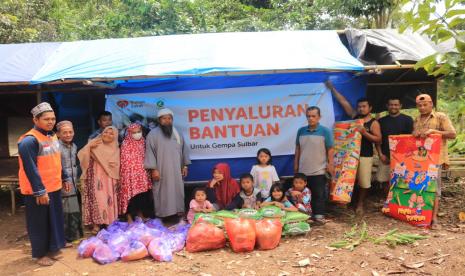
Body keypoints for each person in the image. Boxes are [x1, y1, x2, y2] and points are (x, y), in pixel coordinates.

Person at [18, 102, 70, 266]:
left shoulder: (52, 135)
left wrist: (65, 177)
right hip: (38, 190)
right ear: (35, 119)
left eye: (53, 118)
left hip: (53, 186)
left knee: (53, 219)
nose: (50, 122)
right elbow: (30, 169)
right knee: (38, 222)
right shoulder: (29, 141)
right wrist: (39, 191)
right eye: (46, 119)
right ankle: (39, 254)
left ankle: (52, 248)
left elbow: (57, 159)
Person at [327, 81, 382, 215]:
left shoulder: (374, 123)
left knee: (364, 182)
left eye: (364, 106)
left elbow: (378, 139)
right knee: (347, 179)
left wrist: (364, 133)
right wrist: (332, 89)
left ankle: (360, 204)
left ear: (370, 108)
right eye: (359, 107)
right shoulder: (355, 118)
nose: (361, 109)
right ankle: (345, 202)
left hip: (365, 155)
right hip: (348, 155)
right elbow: (344, 103)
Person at [412, 93, 456, 230]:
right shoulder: (416, 119)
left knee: (434, 189)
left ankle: (434, 219)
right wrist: (414, 134)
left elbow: (453, 134)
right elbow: (415, 138)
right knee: (420, 186)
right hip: (420, 159)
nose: (423, 107)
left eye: (425, 104)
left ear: (431, 104)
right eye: (420, 105)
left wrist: (434, 132)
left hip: (435, 159)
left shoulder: (440, 117)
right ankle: (421, 214)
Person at [144, 108, 191, 221]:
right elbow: (150, 152)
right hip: (161, 169)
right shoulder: (152, 134)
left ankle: (177, 213)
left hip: (176, 169)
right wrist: (153, 169)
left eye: (169, 118)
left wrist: (185, 165)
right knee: (161, 191)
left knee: (177, 190)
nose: (167, 121)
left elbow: (184, 149)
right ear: (159, 120)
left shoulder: (177, 133)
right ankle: (163, 215)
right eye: (164, 118)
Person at [294, 106, 334, 224]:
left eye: (313, 116)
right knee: (304, 195)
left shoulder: (325, 131)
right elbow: (297, 149)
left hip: (319, 169)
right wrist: (296, 164)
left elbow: (330, 149)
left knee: (318, 194)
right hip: (303, 170)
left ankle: (319, 215)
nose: (310, 118)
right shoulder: (301, 131)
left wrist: (330, 164)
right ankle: (306, 216)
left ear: (319, 117)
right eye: (308, 116)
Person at [78, 126, 120, 234]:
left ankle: (109, 222)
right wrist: (88, 146)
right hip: (96, 175)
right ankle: (96, 224)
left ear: (115, 136)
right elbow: (81, 155)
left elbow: (117, 164)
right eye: (106, 132)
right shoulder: (94, 142)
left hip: (110, 178)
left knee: (109, 200)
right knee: (98, 199)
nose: (107, 135)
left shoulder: (116, 148)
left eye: (111, 134)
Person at [375, 97, 414, 194]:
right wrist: (380, 154)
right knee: (384, 179)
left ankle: (399, 202)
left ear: (400, 106)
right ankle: (387, 200)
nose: (393, 107)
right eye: (391, 104)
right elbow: (378, 140)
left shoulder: (408, 120)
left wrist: (408, 156)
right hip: (386, 155)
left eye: (396, 105)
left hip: (404, 156)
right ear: (387, 106)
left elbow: (412, 139)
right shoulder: (381, 121)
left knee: (403, 179)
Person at [118, 123, 152, 223]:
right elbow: (124, 162)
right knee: (131, 197)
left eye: (139, 132)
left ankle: (140, 215)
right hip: (130, 176)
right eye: (134, 132)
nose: (137, 134)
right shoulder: (126, 144)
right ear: (129, 133)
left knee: (141, 196)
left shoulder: (143, 142)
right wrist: (129, 175)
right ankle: (129, 217)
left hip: (142, 175)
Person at [56, 120, 83, 242]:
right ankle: (66, 237)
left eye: (70, 132)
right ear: (58, 134)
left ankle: (74, 234)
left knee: (73, 206)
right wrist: (63, 179)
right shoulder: (56, 147)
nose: (68, 135)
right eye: (64, 132)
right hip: (62, 181)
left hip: (73, 181)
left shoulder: (74, 146)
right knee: (65, 209)